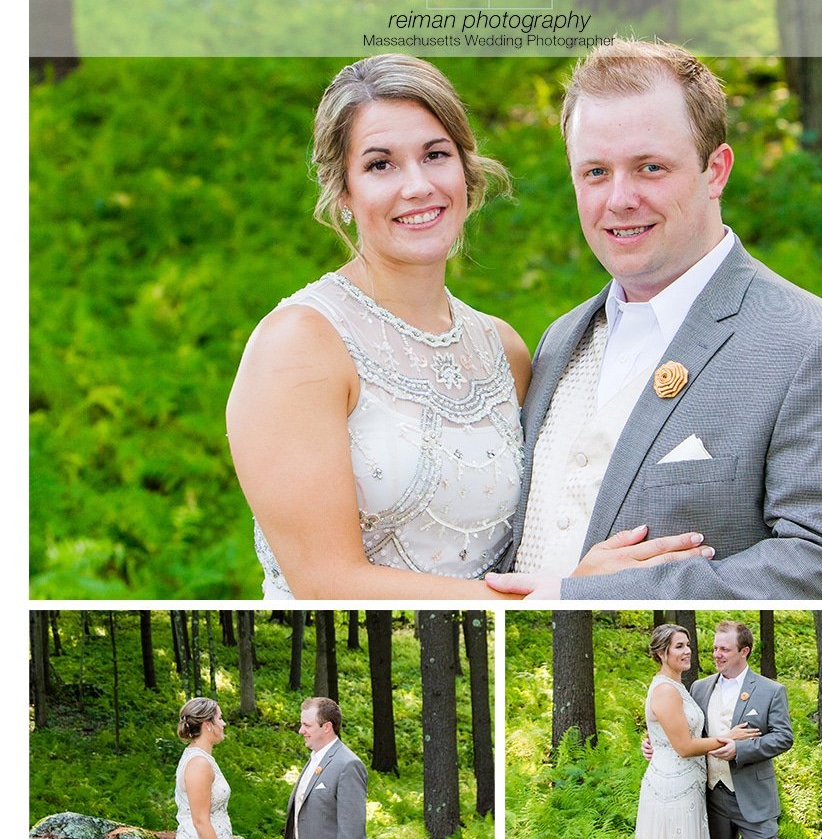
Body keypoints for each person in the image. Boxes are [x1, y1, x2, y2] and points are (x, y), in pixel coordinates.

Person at [228, 54, 702, 600]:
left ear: (465, 170)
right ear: (344, 193)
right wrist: (564, 592)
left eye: (436, 155)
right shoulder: (300, 345)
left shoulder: (505, 349)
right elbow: (326, 582)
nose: (417, 185)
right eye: (380, 165)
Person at [486, 39, 822, 602]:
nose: (620, 198)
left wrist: (599, 594)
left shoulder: (821, 347)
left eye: (650, 167)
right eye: (595, 172)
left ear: (715, 170)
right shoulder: (561, 340)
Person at [623, 623, 760, 839]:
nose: (688, 651)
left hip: (689, 788)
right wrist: (729, 738)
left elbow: (674, 733)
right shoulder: (665, 690)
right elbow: (684, 746)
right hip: (672, 792)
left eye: (688, 644)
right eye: (679, 646)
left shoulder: (679, 687)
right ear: (662, 653)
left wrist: (653, 742)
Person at [690, 621, 793, 839]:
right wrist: (655, 744)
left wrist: (741, 750)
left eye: (725, 649)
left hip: (753, 796)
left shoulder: (770, 690)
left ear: (744, 651)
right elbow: (688, 732)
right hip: (713, 795)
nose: (717, 655)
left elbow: (783, 736)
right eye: (714, 648)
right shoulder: (699, 687)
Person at [284, 698, 369, 839]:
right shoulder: (315, 760)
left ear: (327, 727)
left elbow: (352, 826)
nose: (301, 730)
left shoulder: (347, 764)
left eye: (307, 725)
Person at [163, 698, 246, 839]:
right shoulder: (198, 764)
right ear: (208, 725)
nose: (224, 723)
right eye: (220, 718)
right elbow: (200, 820)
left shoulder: (203, 758)